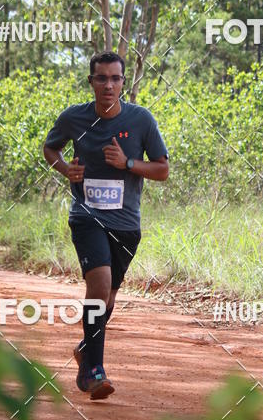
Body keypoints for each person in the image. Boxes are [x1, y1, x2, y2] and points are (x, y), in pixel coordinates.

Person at [43, 52, 169, 400]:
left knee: (110, 296)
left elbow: (162, 169)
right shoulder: (73, 117)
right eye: (102, 78)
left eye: (115, 78)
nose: (108, 85)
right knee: (98, 284)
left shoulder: (141, 120)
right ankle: (93, 372)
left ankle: (86, 349)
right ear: (91, 82)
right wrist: (65, 168)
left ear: (123, 83)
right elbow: (50, 148)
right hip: (86, 216)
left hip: (127, 225)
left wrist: (128, 162)